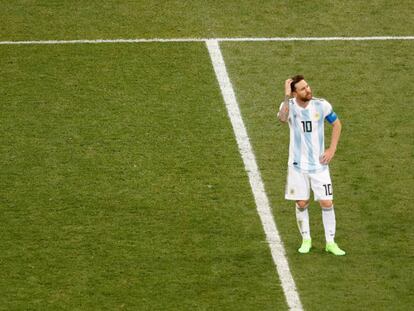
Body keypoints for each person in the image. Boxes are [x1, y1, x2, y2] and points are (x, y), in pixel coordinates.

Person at [277, 75, 345, 256]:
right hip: (297, 165)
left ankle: (330, 242)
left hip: (319, 166)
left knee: (327, 202)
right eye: (302, 89)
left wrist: (332, 149)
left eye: (307, 86)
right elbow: (282, 119)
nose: (308, 90)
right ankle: (306, 239)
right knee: (301, 202)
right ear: (294, 93)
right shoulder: (289, 106)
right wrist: (286, 96)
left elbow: (337, 124)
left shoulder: (321, 105)